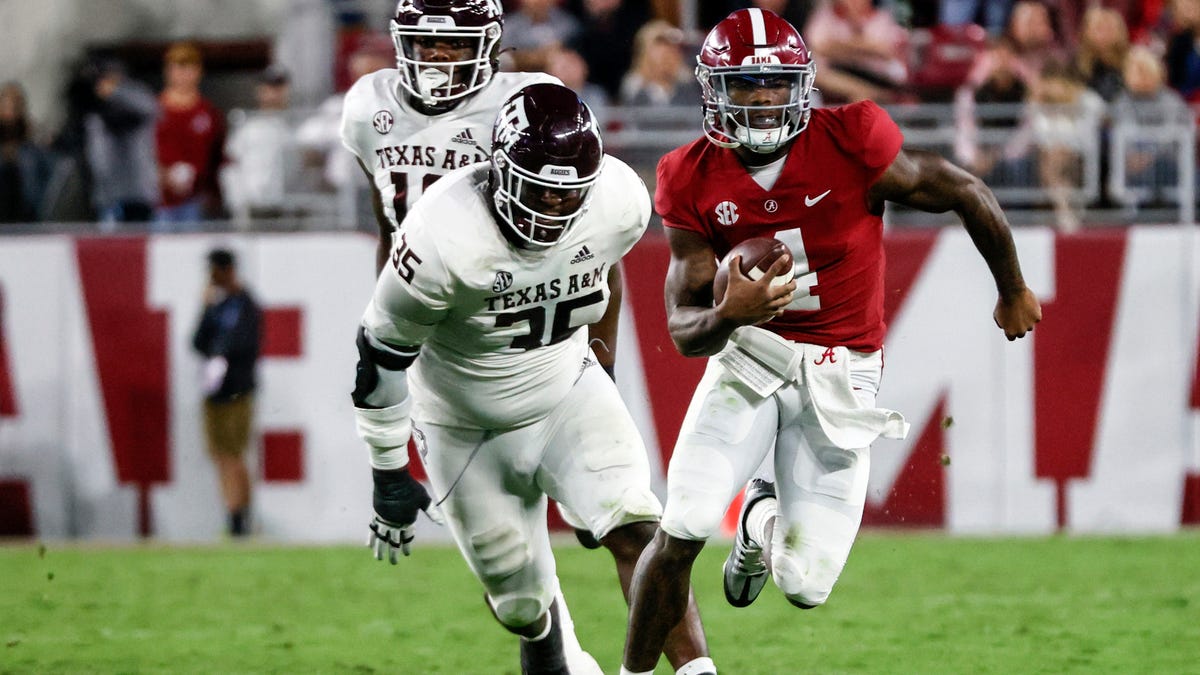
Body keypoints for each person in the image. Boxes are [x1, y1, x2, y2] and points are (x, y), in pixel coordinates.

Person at [621, 9, 1042, 675]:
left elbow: (963, 189)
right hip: (751, 357)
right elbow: (683, 330)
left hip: (843, 370)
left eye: (775, 81)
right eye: (745, 82)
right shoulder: (688, 174)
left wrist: (1012, 287)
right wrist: (730, 315)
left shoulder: (852, 139)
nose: (762, 97)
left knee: (805, 584)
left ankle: (758, 520)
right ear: (713, 91)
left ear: (802, 85)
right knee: (684, 525)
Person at [352, 82, 713, 674]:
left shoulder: (617, 200)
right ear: (499, 171)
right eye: (537, 190)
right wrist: (387, 468)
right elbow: (380, 354)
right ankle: (548, 642)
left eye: (567, 194)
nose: (552, 209)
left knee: (639, 528)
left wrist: (604, 371)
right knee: (519, 602)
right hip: (463, 425)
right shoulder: (442, 236)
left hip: (566, 388)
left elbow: (604, 273)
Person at [340, 0, 604, 551]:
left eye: (456, 43)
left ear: (489, 45)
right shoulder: (369, 105)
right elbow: (389, 221)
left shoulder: (525, 101)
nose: (438, 55)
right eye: (426, 42)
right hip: (438, 315)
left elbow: (586, 238)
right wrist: (392, 303)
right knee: (500, 536)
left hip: (513, 306)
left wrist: (603, 366)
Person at [191, 248, 262, 537]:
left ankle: (240, 515)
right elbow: (197, 342)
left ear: (227, 270)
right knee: (221, 455)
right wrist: (205, 308)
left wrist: (220, 351)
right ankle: (234, 513)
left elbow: (244, 345)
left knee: (233, 454)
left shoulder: (246, 305)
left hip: (237, 391)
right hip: (214, 391)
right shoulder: (216, 306)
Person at [156, 42, 226, 229]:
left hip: (197, 200)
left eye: (188, 68)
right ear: (168, 71)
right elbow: (142, 153)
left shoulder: (208, 112)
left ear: (198, 71)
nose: (183, 75)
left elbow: (218, 156)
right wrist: (163, 175)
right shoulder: (154, 111)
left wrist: (214, 194)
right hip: (160, 202)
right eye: (178, 68)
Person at [82, 58, 159, 226]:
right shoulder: (95, 112)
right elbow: (96, 156)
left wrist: (116, 91)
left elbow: (150, 108)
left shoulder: (137, 98)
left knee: (140, 238)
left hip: (139, 192)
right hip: (108, 195)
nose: (105, 84)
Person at [220, 65, 295, 224]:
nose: (274, 93)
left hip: (286, 210)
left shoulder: (295, 129)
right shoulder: (247, 128)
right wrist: (237, 205)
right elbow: (230, 167)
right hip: (251, 208)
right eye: (269, 87)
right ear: (260, 91)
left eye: (279, 87)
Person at [0, 81, 54, 224]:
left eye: (15, 105)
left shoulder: (31, 135)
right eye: (6, 105)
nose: (10, 111)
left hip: (27, 212)